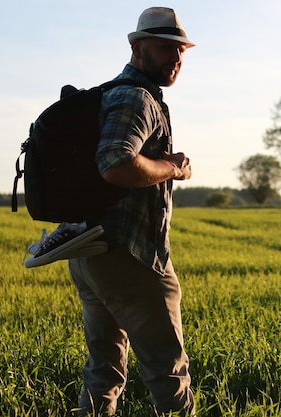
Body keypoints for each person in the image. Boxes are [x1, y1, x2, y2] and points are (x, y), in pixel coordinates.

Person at [67, 7, 195, 416]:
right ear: (137, 48)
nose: (174, 58)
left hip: (92, 250)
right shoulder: (134, 96)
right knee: (168, 372)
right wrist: (173, 168)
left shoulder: (112, 93)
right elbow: (115, 163)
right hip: (131, 256)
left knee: (103, 370)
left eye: (180, 51)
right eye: (164, 48)